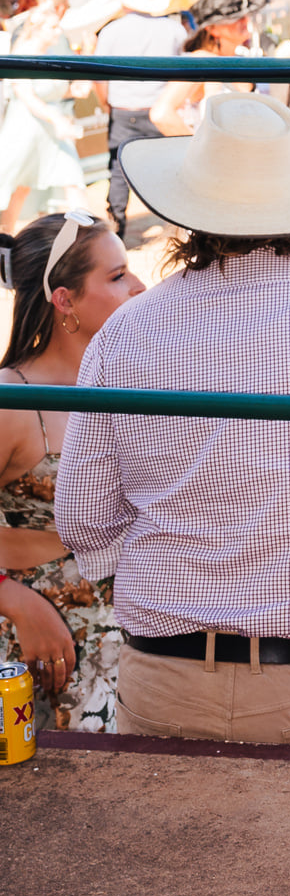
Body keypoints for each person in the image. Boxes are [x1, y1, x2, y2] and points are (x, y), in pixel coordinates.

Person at [55, 93, 290, 749]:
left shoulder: (127, 332)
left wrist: (183, 575)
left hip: (164, 671)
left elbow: (84, 513)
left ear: (191, 201)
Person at [0, 211, 146, 728]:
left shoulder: (133, 388)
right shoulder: (13, 400)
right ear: (64, 299)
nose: (138, 286)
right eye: (116, 276)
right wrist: (16, 601)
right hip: (35, 650)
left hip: (129, 640)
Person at [92, 0, 188, 239]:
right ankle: (179, 226)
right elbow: (184, 72)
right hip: (160, 108)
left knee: (118, 169)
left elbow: (99, 75)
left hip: (124, 109)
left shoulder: (111, 31)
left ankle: (115, 227)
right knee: (168, 167)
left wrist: (107, 103)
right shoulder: (173, 29)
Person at [0, 0, 86, 231]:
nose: (58, 31)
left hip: (52, 129)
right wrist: (56, 118)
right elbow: (26, 95)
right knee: (16, 185)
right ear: (37, 29)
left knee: (73, 180)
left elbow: (53, 91)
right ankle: (4, 238)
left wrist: (73, 91)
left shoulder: (49, 54)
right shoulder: (22, 54)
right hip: (26, 128)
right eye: (52, 27)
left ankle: (88, 238)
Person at [150, 0, 264, 136]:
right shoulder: (201, 60)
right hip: (219, 157)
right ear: (212, 28)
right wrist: (199, 148)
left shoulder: (239, 58)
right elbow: (161, 114)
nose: (244, 21)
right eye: (234, 17)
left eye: (245, 15)